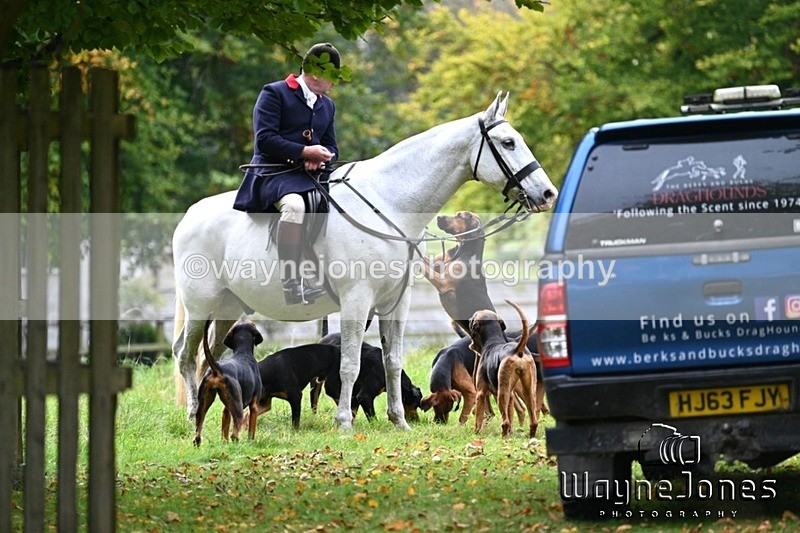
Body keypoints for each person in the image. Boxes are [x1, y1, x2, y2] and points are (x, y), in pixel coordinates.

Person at [233, 43, 341, 305]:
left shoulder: (327, 105)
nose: (334, 85)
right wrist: (304, 153)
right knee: (294, 205)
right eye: (333, 77)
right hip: (273, 173)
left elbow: (332, 148)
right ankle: (292, 282)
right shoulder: (274, 93)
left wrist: (323, 157)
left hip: (310, 176)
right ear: (316, 72)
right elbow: (265, 140)